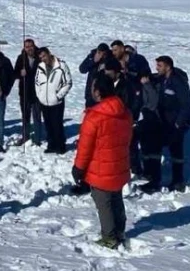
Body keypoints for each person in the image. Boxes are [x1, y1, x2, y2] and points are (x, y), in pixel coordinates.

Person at [72, 74, 133, 249]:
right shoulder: (125, 112)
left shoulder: (95, 116)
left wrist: (78, 168)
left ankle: (109, 237)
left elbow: (85, 147)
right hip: (119, 164)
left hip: (100, 168)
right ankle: (119, 231)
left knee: (103, 203)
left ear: (98, 92)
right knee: (116, 198)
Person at [139, 55, 190, 193]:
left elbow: (186, 104)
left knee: (175, 150)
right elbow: (153, 78)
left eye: (160, 66)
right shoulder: (163, 79)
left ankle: (176, 180)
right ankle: (161, 179)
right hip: (165, 122)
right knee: (163, 148)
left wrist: (178, 123)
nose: (157, 69)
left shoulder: (177, 82)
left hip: (177, 123)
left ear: (168, 66)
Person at [111, 40, 150, 175]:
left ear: (123, 49)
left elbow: (145, 75)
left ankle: (136, 167)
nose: (114, 53)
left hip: (136, 101)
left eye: (116, 50)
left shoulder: (138, 60)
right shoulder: (115, 62)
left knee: (132, 137)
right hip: (121, 101)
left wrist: (128, 71)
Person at [34, 47, 72, 154]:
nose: (43, 59)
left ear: (49, 53)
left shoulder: (61, 66)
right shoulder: (40, 67)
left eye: (44, 56)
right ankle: (51, 145)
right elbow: (37, 83)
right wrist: (40, 95)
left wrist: (58, 96)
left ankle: (60, 146)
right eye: (40, 57)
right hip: (44, 101)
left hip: (56, 102)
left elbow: (68, 83)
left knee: (57, 125)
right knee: (48, 125)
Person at [14, 38, 43, 145]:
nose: (29, 48)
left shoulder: (40, 57)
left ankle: (37, 139)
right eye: (27, 47)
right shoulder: (21, 58)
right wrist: (20, 74)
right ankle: (25, 136)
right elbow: (14, 73)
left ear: (34, 46)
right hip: (25, 92)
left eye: (31, 46)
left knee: (37, 116)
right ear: (24, 48)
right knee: (25, 116)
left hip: (37, 92)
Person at [79, 43, 115, 109]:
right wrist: (93, 61)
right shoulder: (92, 56)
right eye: (99, 53)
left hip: (104, 94)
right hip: (91, 93)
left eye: (104, 54)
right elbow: (82, 69)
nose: (101, 56)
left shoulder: (111, 58)